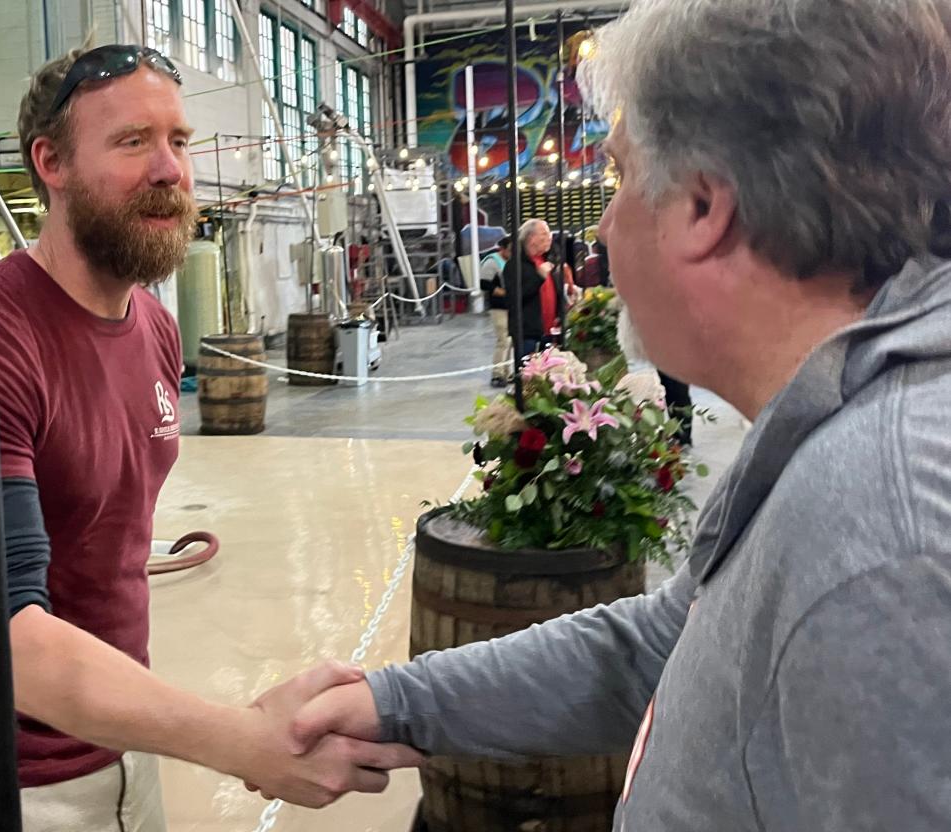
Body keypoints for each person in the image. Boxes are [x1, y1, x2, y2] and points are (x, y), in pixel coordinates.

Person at [257, 1, 951, 829]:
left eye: (620, 176)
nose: (609, 224)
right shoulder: (830, 432)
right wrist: (394, 702)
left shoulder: (882, 539)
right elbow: (661, 645)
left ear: (702, 207)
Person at [0, 44, 419, 831]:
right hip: (1, 779)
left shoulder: (156, 332)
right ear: (51, 164)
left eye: (180, 140)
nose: (170, 169)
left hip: (121, 744)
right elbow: (8, 642)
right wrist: (244, 742)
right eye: (133, 141)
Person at [513, 218, 571, 355]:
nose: (549, 237)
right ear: (532, 238)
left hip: (550, 331)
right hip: (529, 334)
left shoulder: (548, 260)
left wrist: (561, 310)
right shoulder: (517, 265)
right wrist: (539, 277)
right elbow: (516, 297)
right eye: (544, 234)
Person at [480, 235, 513, 386]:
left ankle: (508, 371)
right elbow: (484, 284)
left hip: (510, 305)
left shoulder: (510, 261)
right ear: (502, 249)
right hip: (498, 307)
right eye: (510, 250)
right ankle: (497, 374)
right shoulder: (492, 262)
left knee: (510, 341)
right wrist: (500, 291)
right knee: (503, 340)